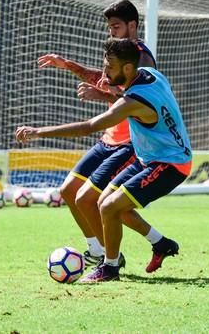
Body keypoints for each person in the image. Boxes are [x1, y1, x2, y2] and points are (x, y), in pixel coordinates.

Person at [17, 37, 192, 282]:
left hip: (171, 164)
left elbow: (89, 126)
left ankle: (109, 268)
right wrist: (74, 69)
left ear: (128, 69)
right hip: (148, 158)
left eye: (109, 67)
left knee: (110, 206)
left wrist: (38, 132)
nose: (105, 72)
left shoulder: (132, 102)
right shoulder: (150, 73)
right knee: (104, 202)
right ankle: (161, 244)